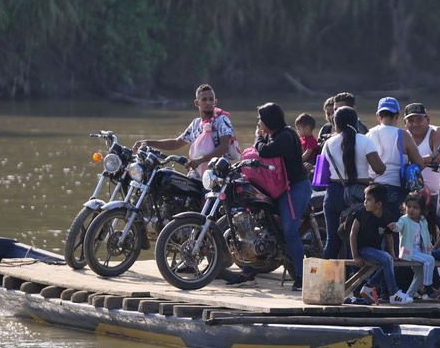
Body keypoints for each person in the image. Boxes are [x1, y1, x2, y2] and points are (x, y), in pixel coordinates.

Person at [228, 103, 312, 291]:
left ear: (269, 120)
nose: (259, 122)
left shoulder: (286, 136)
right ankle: (247, 273)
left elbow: (264, 151)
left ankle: (301, 276)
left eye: (260, 119)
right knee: (256, 223)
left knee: (290, 229)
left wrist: (258, 137)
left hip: (295, 187)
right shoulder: (273, 135)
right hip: (277, 186)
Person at [131, 83, 236, 177]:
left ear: (215, 102)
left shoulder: (222, 120)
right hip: (196, 173)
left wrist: (201, 160)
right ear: (196, 103)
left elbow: (224, 147)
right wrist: (147, 143)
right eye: (204, 99)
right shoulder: (195, 124)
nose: (208, 102)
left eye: (211, 99)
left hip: (217, 176)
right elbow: (176, 143)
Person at [320, 107, 385, 259]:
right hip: (356, 195)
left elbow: (322, 175)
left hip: (332, 194)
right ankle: (353, 282)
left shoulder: (328, 143)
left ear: (335, 124)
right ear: (356, 122)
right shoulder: (365, 141)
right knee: (354, 242)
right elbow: (379, 168)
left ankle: (324, 280)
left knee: (332, 242)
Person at [349, 184, 413, 305]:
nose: (365, 202)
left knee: (390, 260)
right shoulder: (361, 213)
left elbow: (389, 238)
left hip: (376, 250)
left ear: (379, 204)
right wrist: (355, 255)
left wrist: (393, 255)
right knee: (387, 259)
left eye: (368, 200)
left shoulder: (387, 217)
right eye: (365, 199)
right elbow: (353, 234)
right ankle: (394, 293)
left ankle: (370, 286)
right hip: (363, 249)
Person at [367, 97, 424, 218]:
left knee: (375, 232)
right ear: (397, 115)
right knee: (396, 231)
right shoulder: (403, 134)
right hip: (396, 191)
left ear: (378, 116)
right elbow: (419, 164)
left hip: (373, 191)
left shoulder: (369, 134)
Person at [388, 192, 438, 300]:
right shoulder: (404, 219)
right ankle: (428, 286)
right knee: (430, 260)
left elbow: (425, 236)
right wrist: (394, 226)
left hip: (420, 252)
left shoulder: (423, 221)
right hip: (409, 252)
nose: (411, 210)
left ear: (421, 209)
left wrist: (429, 247)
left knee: (419, 276)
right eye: (409, 206)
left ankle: (407, 297)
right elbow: (399, 226)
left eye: (415, 207)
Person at [403, 102, 440, 208]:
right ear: (405, 122)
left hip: (438, 195)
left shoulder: (436, 132)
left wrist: (416, 161)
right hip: (413, 195)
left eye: (419, 120)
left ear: (427, 119)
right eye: (410, 121)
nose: (415, 124)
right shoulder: (404, 136)